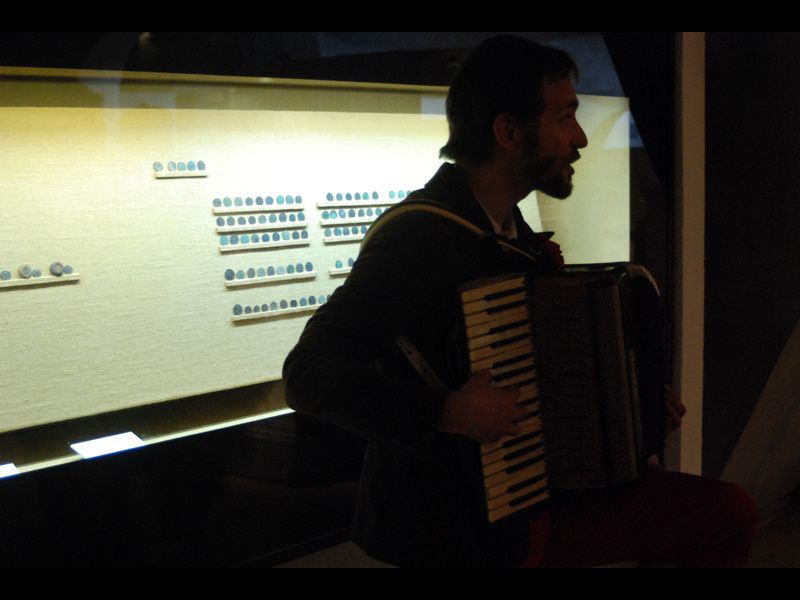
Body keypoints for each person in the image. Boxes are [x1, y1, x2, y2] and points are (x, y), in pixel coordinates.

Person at [283, 34, 757, 567]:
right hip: (456, 526)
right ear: (509, 131)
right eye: (564, 117)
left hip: (527, 501)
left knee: (718, 512)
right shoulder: (418, 238)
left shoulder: (507, 231)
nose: (579, 137)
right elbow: (306, 373)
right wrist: (447, 411)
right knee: (721, 514)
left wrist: (629, 405)